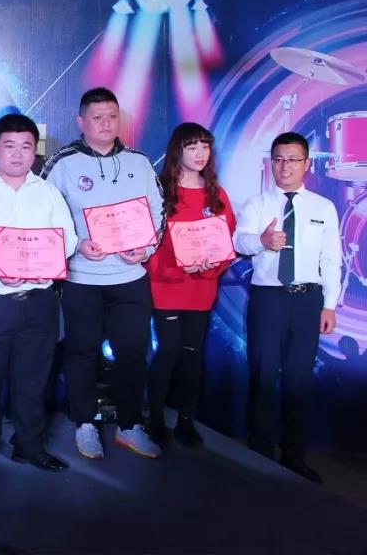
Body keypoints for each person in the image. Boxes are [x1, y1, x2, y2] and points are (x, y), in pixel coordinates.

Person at [41, 87, 163, 460]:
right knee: (82, 353)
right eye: (97, 117)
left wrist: (146, 248)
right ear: (81, 121)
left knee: (133, 353)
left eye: (112, 116)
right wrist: (76, 244)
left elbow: (158, 213)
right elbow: (44, 217)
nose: (106, 123)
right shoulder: (62, 164)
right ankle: (85, 423)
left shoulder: (139, 162)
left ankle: (129, 425)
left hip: (130, 278)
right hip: (82, 280)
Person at [0, 114, 77, 477]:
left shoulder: (48, 192)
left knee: (33, 381)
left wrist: (45, 264)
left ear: (35, 151)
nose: (18, 154)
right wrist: (1, 269)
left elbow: (67, 238)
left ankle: (29, 447)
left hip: (39, 302)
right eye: (10, 145)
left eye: (26, 146)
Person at [232, 131, 340, 483]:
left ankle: (294, 455)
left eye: (293, 160)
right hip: (269, 299)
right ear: (271, 162)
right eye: (278, 159)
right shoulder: (257, 204)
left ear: (306, 164)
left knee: (298, 379)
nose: (285, 166)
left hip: (308, 300)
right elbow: (239, 241)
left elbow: (332, 260)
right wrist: (261, 240)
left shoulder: (323, 207)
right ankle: (260, 454)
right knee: (263, 376)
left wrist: (329, 305)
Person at [145, 123, 235, 448]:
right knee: (169, 349)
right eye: (192, 147)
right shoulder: (159, 191)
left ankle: (186, 420)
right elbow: (146, 243)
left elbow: (227, 240)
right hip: (167, 286)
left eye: (205, 146)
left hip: (201, 287)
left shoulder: (216, 194)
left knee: (192, 354)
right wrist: (172, 267)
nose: (200, 154)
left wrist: (213, 266)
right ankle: (154, 418)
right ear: (177, 151)